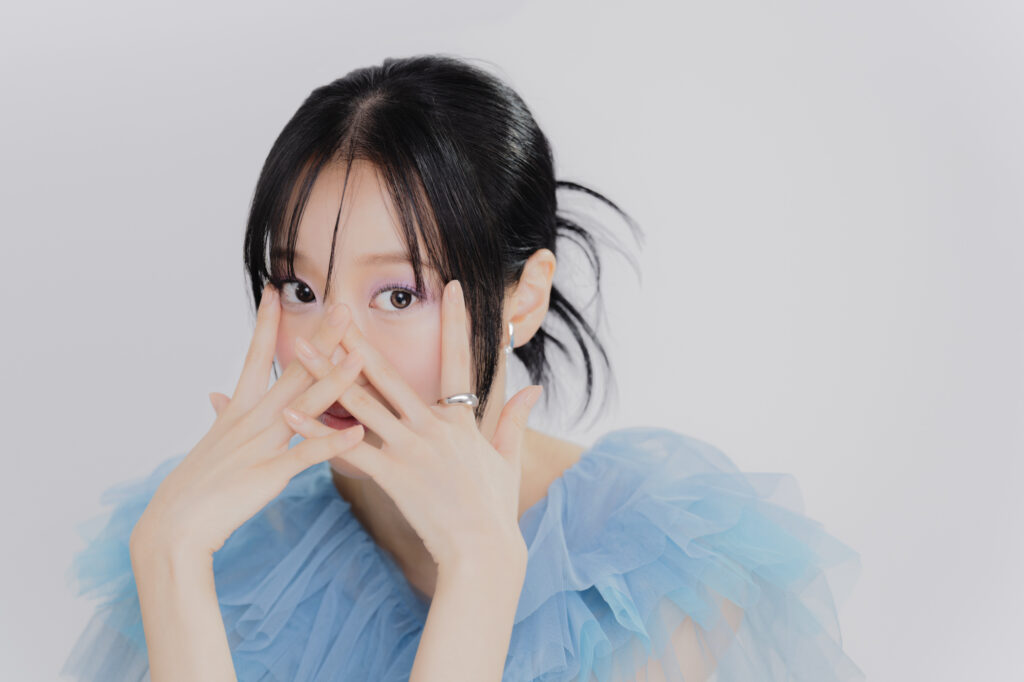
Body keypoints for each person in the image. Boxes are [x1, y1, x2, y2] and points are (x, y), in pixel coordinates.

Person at [61, 54, 863, 681]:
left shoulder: (655, 565)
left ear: (522, 299)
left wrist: (480, 569)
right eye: (301, 288)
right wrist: (169, 556)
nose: (328, 346)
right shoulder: (234, 550)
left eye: (398, 294)